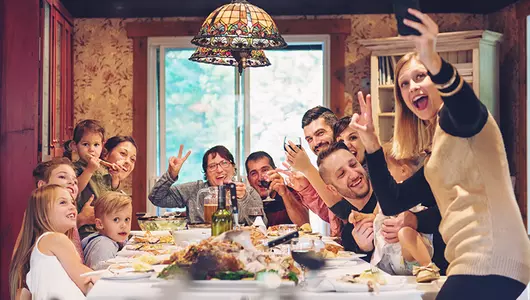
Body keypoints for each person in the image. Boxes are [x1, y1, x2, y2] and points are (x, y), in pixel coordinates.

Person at [349, 8, 530, 299]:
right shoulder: (438, 149)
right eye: (404, 84)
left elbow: (464, 103)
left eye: (420, 76)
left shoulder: (460, 119)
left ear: (436, 80)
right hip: (473, 260)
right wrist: (371, 143)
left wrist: (433, 58)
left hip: (492, 256)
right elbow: (393, 201)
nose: (412, 88)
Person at [9, 185, 97, 300]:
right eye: (63, 202)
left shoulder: (43, 244)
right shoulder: (55, 239)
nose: (72, 207)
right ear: (43, 214)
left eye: (72, 202)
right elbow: (85, 279)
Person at [370, 142, 439, 282]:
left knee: (405, 233)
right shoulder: (383, 201)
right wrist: (360, 217)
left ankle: (427, 266)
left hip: (409, 254)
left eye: (386, 171)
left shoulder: (409, 197)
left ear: (403, 171)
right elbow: (374, 215)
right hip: (390, 261)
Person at [149, 145, 265, 225]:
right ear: (206, 173)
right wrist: (171, 175)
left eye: (224, 163)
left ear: (233, 167)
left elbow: (261, 225)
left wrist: (244, 199)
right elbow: (156, 198)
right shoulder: (194, 190)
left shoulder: (248, 193)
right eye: (212, 166)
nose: (219, 170)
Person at [283, 106, 343, 236]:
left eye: (320, 133)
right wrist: (306, 188)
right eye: (309, 139)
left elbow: (343, 211)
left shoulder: (352, 164)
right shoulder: (325, 169)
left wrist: (307, 169)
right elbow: (331, 216)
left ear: (336, 131)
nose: (315, 143)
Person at [65, 120, 122, 239]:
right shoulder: (74, 168)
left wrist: (115, 178)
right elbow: (75, 190)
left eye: (96, 145)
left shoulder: (104, 168)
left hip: (107, 227)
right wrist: (89, 170)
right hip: (87, 230)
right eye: (85, 144)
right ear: (74, 146)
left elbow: (111, 191)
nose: (91, 150)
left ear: (102, 145)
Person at [245, 151, 309, 226]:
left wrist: (285, 193)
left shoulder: (292, 192)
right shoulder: (246, 201)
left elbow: (304, 224)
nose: (260, 178)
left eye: (265, 170)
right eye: (254, 173)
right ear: (249, 179)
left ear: (275, 171)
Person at [82, 192, 132, 270]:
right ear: (99, 224)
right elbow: (102, 276)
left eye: (127, 219)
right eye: (116, 219)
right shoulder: (103, 246)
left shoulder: (115, 237)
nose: (124, 225)